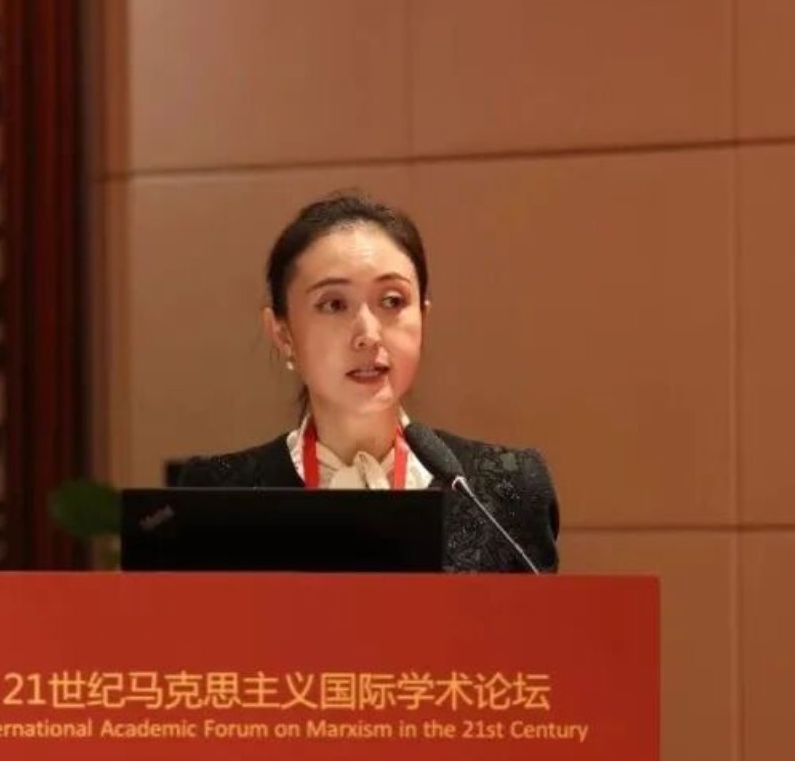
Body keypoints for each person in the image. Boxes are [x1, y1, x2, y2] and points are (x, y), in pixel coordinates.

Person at [176, 191, 561, 574]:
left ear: (423, 318)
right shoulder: (215, 496)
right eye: (334, 304)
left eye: (392, 301)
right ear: (283, 333)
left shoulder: (505, 490)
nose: (368, 334)